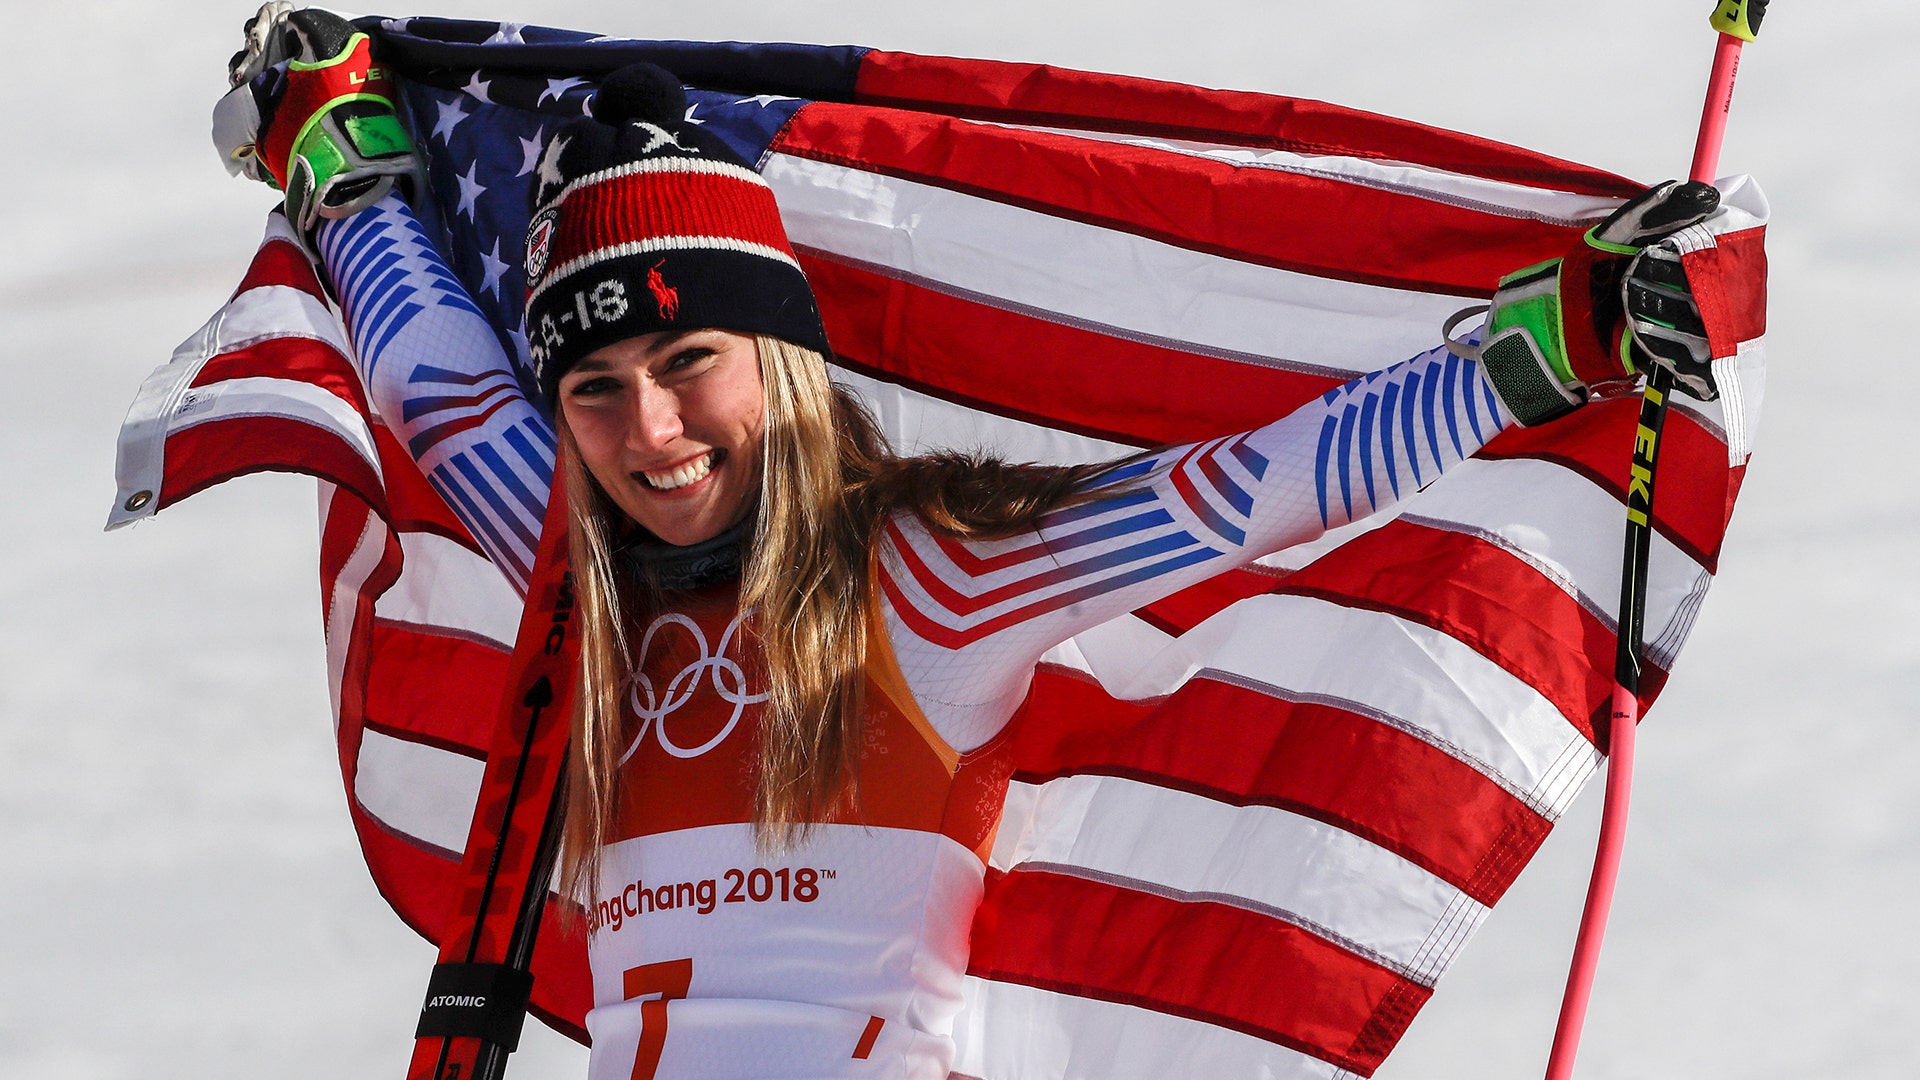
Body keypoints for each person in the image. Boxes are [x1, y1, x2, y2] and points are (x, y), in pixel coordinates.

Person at [217, 9, 1745, 1078]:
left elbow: (1240, 493)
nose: (651, 432)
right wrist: (344, 164)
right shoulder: (581, 575)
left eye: (691, 370)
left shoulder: (927, 579)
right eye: (598, 393)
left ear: (783, 367)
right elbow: (438, 392)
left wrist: (1554, 343)